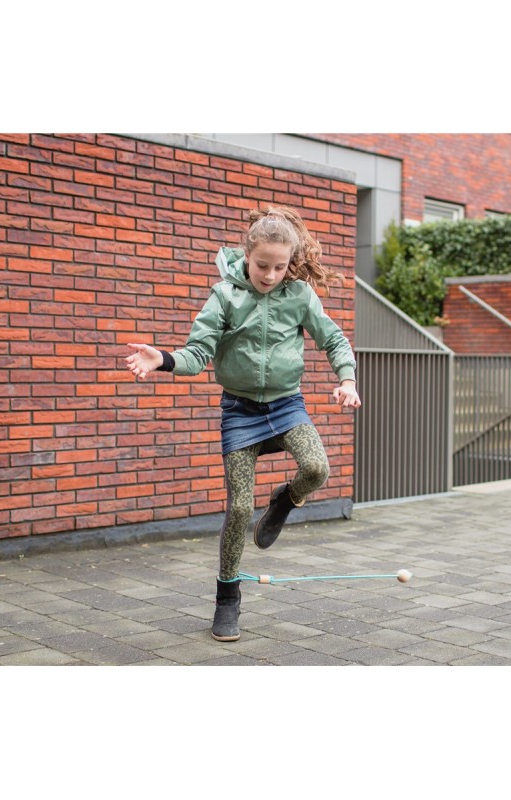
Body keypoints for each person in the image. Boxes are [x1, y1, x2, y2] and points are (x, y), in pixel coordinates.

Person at [125, 206, 361, 642]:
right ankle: (227, 599)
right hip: (240, 411)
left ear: (290, 263)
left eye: (280, 267)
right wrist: (164, 360)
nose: (270, 275)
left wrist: (347, 378)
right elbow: (198, 353)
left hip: (287, 405)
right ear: (246, 256)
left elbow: (332, 339)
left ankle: (284, 501)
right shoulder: (225, 296)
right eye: (262, 265)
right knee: (238, 509)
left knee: (317, 469)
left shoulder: (299, 295)